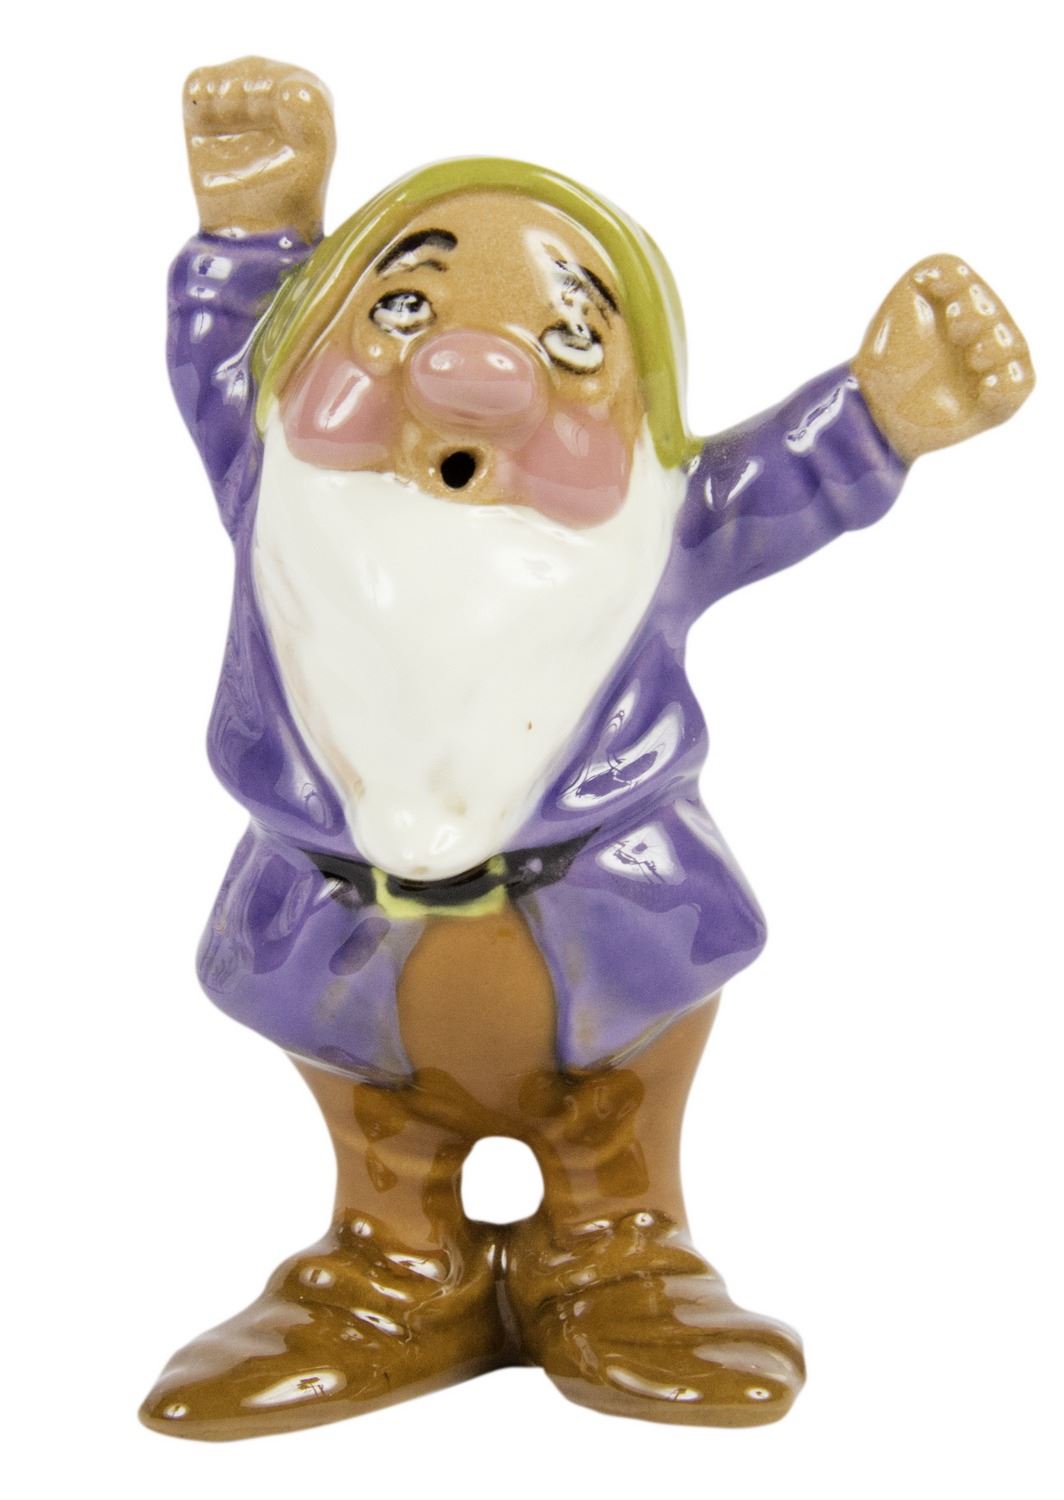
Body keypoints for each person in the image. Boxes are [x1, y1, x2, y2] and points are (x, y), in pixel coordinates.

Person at [142, 56, 1034, 1438]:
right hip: (333, 924)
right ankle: (394, 1266)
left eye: (569, 346)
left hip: (609, 915)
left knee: (615, 1129)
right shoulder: (278, 476)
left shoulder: (660, 522)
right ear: (308, 352)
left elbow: (782, 482)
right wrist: (255, 230)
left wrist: (881, 412)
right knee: (380, 1142)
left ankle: (620, 1261)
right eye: (402, 307)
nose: (471, 374)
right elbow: (221, 361)